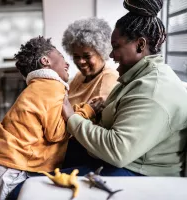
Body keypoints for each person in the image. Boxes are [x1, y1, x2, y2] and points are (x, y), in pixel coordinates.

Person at [62, 0, 187, 177]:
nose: (111, 55)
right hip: (116, 162)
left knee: (31, 186)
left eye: (116, 47)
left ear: (140, 45)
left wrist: (71, 118)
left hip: (135, 173)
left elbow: (117, 151)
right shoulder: (136, 77)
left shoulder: (153, 90)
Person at [0, 36, 102, 200]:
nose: (67, 64)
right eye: (62, 57)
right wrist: (87, 111)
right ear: (45, 61)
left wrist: (79, 110)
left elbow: (54, 119)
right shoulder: (52, 85)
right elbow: (56, 134)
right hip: (8, 168)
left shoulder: (38, 86)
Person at [62, 17, 119, 106]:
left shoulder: (110, 78)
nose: (81, 61)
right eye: (76, 56)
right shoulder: (79, 76)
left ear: (101, 52)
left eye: (87, 56)